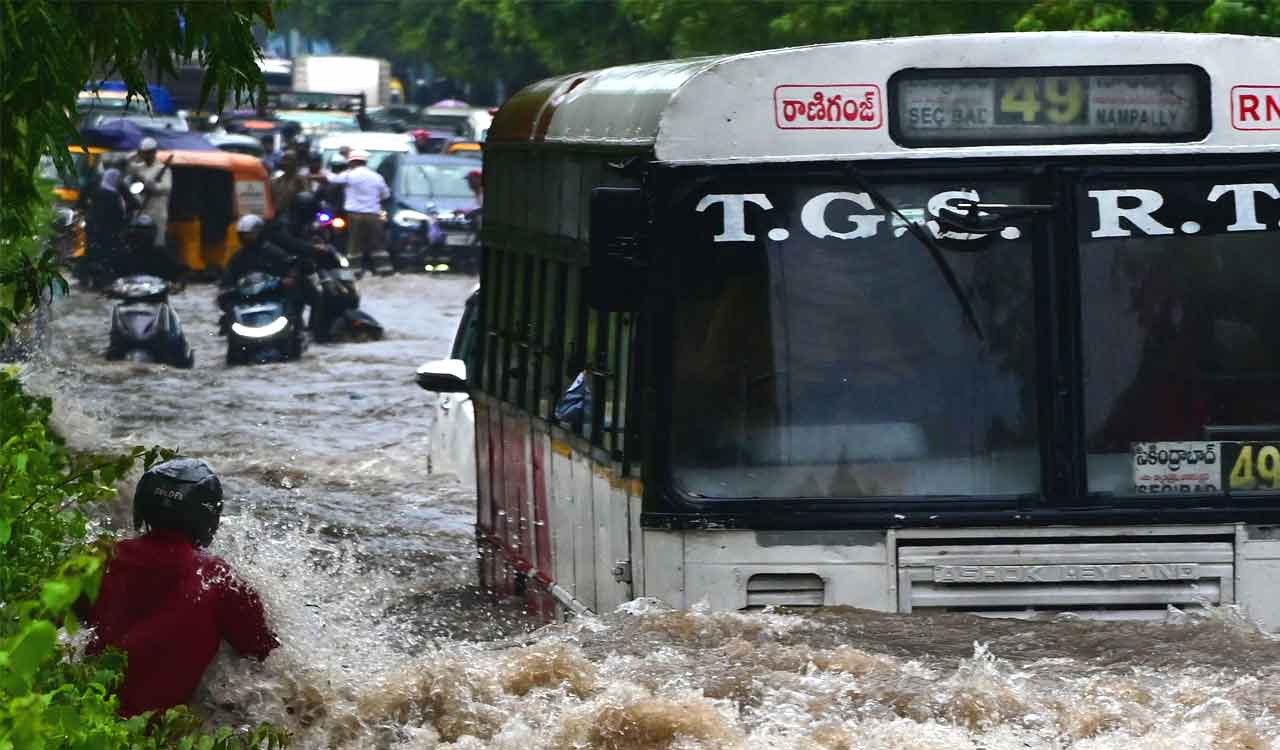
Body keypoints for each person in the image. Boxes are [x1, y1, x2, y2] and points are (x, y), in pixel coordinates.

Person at [84, 458, 277, 717]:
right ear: (207, 516)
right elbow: (263, 654)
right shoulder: (219, 578)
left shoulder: (97, 560)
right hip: (158, 736)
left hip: (83, 718)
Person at [322, 149, 389, 273]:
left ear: (352, 162)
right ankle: (383, 270)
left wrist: (324, 173)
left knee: (354, 244)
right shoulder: (376, 177)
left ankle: (354, 271)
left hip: (355, 215)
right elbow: (385, 194)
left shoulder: (350, 175)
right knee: (378, 244)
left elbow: (333, 179)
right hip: (374, 215)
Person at [83, 168, 129, 283]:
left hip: (93, 228)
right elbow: (118, 215)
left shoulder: (97, 191)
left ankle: (88, 278)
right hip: (107, 231)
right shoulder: (113, 196)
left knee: (92, 254)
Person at [126, 137, 172, 251]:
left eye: (147, 153)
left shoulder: (163, 169)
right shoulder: (139, 167)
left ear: (153, 153)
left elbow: (166, 188)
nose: (144, 156)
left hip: (157, 210)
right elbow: (127, 170)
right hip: (141, 208)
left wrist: (151, 185)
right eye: (143, 153)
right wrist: (133, 156)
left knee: (156, 243)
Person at [270, 151, 310, 219]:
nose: (285, 163)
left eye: (289, 160)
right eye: (284, 160)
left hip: (294, 217)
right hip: (276, 216)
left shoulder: (300, 180)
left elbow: (306, 198)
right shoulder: (276, 181)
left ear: (295, 163)